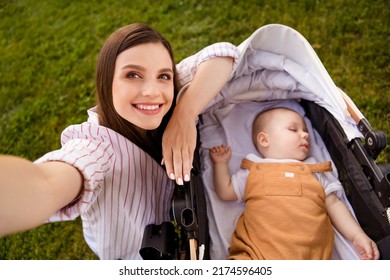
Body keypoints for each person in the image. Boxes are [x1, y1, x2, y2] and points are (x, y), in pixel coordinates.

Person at [0, 23, 237, 259]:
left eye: (163, 75)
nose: (153, 91)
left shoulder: (170, 92)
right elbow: (48, 182)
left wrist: (184, 115)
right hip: (131, 254)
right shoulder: (95, 147)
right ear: (107, 80)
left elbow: (223, 54)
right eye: (133, 75)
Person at [209, 107, 380, 260]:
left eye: (305, 130)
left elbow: (335, 204)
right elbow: (225, 191)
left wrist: (357, 235)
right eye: (293, 129)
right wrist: (220, 164)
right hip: (257, 253)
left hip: (308, 255)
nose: (305, 134)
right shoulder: (254, 169)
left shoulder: (315, 171)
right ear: (264, 140)